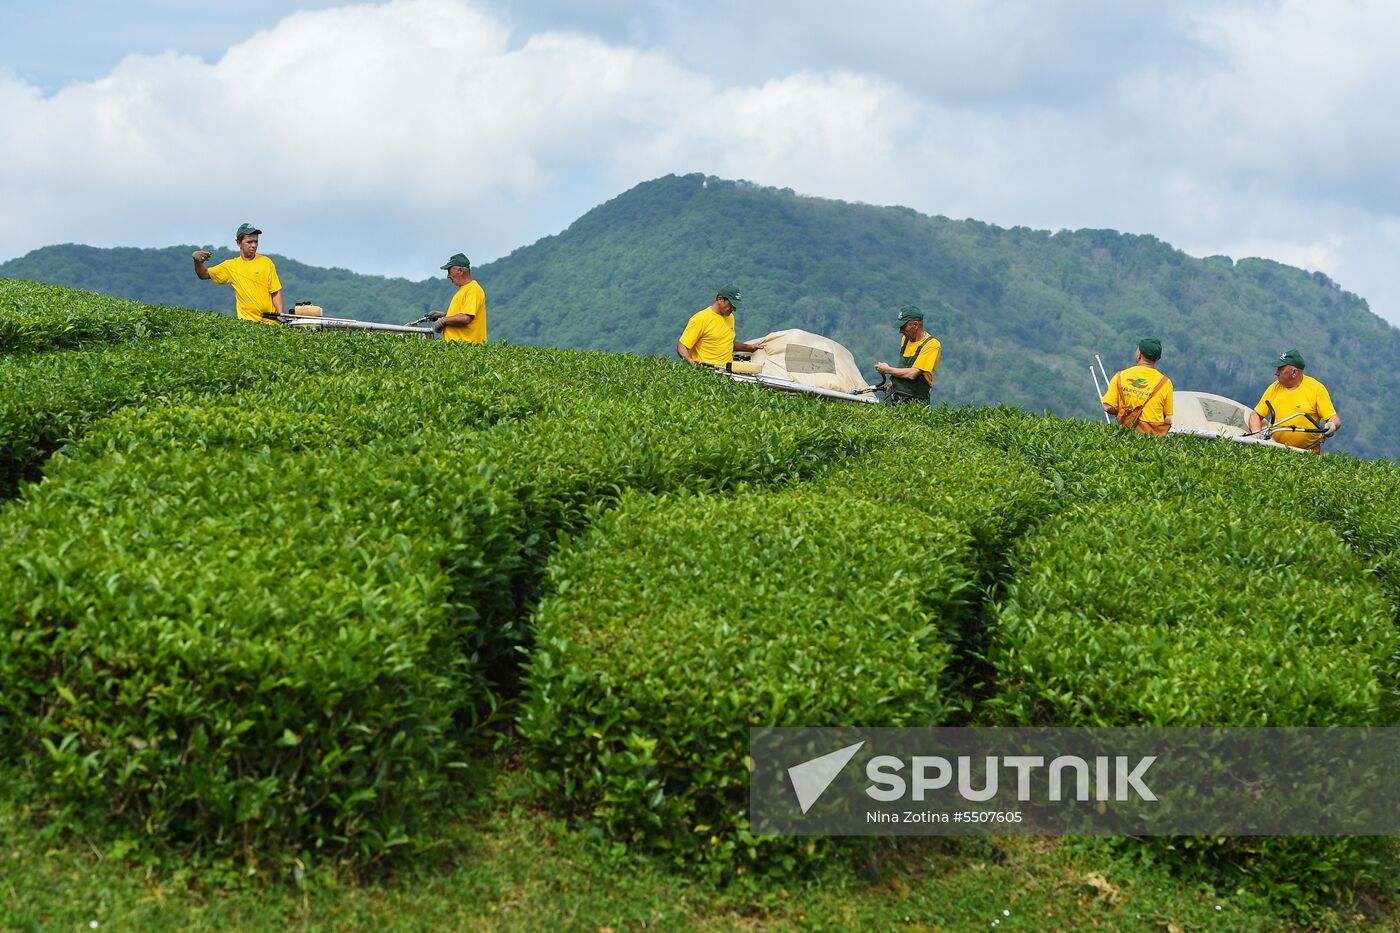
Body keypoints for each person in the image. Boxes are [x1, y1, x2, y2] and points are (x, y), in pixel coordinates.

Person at [1246, 348, 1340, 453]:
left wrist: (1331, 425)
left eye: (1280, 369)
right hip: (1274, 449)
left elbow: (1333, 418)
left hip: (1307, 452)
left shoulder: (1316, 389)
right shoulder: (1274, 387)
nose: (1276, 373)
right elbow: (1256, 415)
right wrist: (1256, 435)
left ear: (1294, 372)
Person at [192, 223, 283, 324]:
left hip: (272, 323)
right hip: (248, 324)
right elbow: (203, 274)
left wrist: (280, 314)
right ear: (239, 243)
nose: (253, 245)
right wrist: (197, 261)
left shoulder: (266, 262)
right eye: (249, 242)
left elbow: (275, 291)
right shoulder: (230, 266)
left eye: (256, 242)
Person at [676, 285, 764, 367]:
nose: (733, 309)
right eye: (731, 305)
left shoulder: (730, 317)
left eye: (735, 307)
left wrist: (750, 347)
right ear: (719, 299)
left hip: (727, 372)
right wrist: (689, 360)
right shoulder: (700, 319)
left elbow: (727, 343)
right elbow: (682, 346)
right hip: (707, 371)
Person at [1101, 336, 1173, 435]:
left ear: (1139, 354)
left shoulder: (1120, 376)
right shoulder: (1165, 383)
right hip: (1153, 439)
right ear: (1157, 358)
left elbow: (1107, 407)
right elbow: (1168, 419)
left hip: (1126, 435)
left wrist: (1123, 413)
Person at [874, 305, 942, 405]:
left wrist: (887, 369)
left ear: (915, 325)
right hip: (895, 397)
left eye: (903, 327)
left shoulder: (932, 345)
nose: (900, 331)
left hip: (915, 402)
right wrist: (895, 383)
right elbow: (904, 367)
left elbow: (912, 374)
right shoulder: (905, 340)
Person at [424, 253, 487, 344]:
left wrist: (444, 321)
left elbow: (465, 318)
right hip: (458, 348)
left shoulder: (473, 289)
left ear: (460, 271)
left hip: (466, 348)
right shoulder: (463, 290)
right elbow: (462, 313)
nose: (448, 276)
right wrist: (443, 315)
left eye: (450, 272)